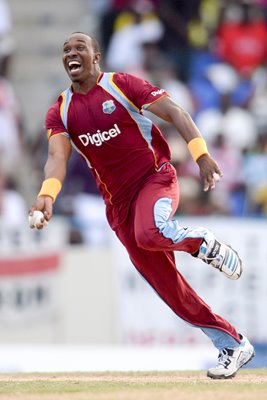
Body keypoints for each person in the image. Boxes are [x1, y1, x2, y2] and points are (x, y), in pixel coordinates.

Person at [29, 32, 255, 379]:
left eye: (79, 48)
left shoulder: (122, 85)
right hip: (118, 207)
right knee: (171, 292)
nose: (71, 54)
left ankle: (201, 243)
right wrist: (47, 196)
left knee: (151, 231)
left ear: (96, 56)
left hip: (156, 179)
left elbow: (176, 112)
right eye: (66, 50)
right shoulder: (60, 109)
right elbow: (57, 158)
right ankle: (232, 343)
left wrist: (202, 155)